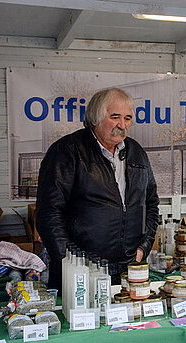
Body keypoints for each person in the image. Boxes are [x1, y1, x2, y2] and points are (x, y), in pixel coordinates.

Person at [36, 88, 159, 287]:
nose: (122, 125)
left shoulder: (136, 152)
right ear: (95, 118)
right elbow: (49, 216)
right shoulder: (66, 151)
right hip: (81, 275)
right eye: (115, 117)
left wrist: (143, 248)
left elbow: (151, 204)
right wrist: (74, 266)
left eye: (127, 118)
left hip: (129, 270)